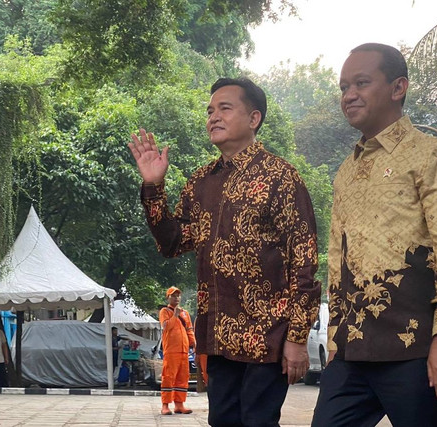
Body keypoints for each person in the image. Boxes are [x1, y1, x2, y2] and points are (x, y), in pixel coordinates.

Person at [128, 77, 321, 426]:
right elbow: (172, 243)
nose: (213, 117)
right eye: (210, 110)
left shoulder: (281, 177)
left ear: (254, 118)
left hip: (267, 335)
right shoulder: (201, 182)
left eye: (225, 108)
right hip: (217, 335)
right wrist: (154, 187)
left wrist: (297, 337)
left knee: (258, 422)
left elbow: (304, 263)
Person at [311, 43, 437, 427]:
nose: (349, 95)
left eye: (361, 83)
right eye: (344, 86)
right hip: (352, 350)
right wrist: (335, 336)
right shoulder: (345, 172)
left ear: (398, 87)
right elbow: (337, 257)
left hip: (415, 346)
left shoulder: (431, 154)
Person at [158, 286, 196, 415]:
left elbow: (189, 329)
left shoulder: (185, 313)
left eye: (178, 295)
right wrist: (175, 315)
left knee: (183, 377)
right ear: (168, 297)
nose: (176, 298)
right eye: (173, 295)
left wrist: (193, 342)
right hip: (171, 350)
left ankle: (179, 404)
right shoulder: (165, 311)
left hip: (184, 350)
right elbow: (166, 327)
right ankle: (165, 405)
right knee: (168, 377)